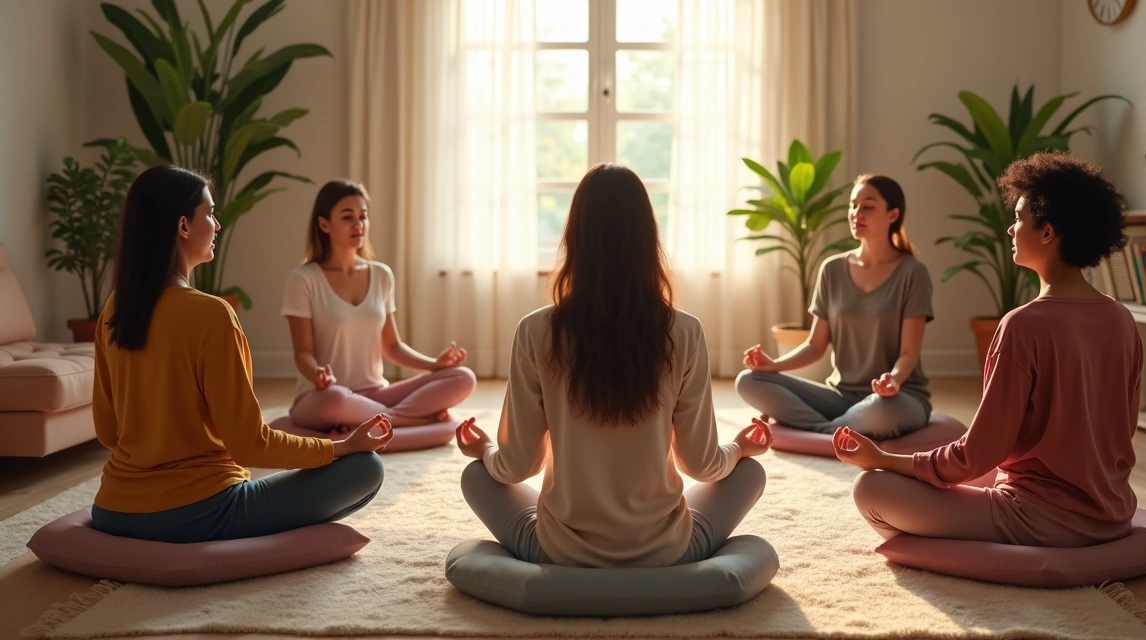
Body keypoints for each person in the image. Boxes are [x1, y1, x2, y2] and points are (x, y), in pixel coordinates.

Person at [455, 163, 772, 568]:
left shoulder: (536, 330)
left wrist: (482, 448)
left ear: (574, 237)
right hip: (665, 550)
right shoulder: (685, 331)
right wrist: (741, 447)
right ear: (647, 239)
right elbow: (703, 465)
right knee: (750, 473)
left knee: (476, 475)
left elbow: (515, 467)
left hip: (560, 552)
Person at [837, 152, 1142, 547]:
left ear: (1047, 232)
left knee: (871, 489)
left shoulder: (1022, 325)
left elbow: (974, 457)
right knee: (948, 476)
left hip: (1037, 519)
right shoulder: (1122, 319)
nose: (1012, 230)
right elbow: (1121, 432)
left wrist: (881, 460)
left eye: (1018, 218)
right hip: (1112, 513)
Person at [91, 166, 391, 544]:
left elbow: (107, 431)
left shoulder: (114, 309)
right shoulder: (211, 315)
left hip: (114, 508)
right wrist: (344, 446)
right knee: (366, 468)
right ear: (183, 226)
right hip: (201, 512)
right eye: (210, 214)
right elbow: (250, 444)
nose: (216, 225)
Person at [735, 174, 934, 439]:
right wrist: (772, 366)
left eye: (868, 206)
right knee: (748, 381)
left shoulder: (913, 273)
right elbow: (815, 346)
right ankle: (839, 431)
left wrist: (893, 380)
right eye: (853, 205)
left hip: (897, 397)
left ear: (892, 215)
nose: (856, 213)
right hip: (840, 397)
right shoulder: (832, 269)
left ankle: (822, 431)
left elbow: (909, 352)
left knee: (878, 410)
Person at [283, 180, 476, 433]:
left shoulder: (381, 275)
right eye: (347, 217)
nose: (358, 224)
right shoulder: (303, 279)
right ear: (324, 224)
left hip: (375, 395)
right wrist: (318, 375)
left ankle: (365, 425)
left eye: (363, 216)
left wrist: (435, 365)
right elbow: (303, 353)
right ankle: (414, 421)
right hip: (325, 397)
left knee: (463, 378)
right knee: (338, 398)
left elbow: (392, 346)